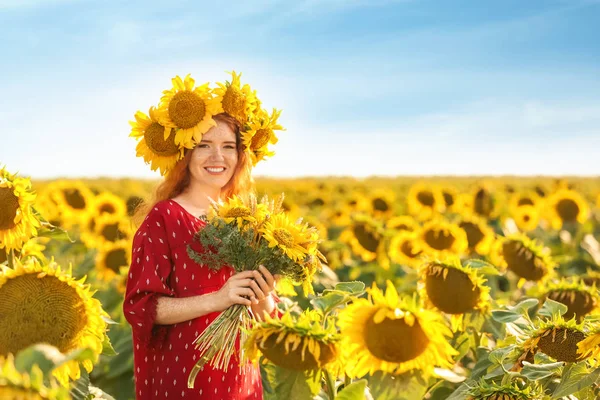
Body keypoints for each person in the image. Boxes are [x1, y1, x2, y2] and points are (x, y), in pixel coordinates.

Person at [124, 112, 279, 400]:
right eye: (204, 145)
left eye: (229, 146)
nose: (216, 156)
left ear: (241, 154)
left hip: (241, 377)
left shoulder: (249, 221)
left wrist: (263, 293)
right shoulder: (165, 217)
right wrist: (218, 299)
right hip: (185, 378)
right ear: (186, 153)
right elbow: (141, 307)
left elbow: (268, 319)